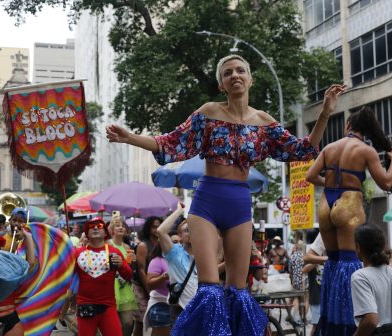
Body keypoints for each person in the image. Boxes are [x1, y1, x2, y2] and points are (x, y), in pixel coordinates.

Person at [107, 54, 343, 334]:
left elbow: (302, 149)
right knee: (208, 289)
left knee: (238, 290)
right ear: (222, 84)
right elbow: (169, 143)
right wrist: (130, 137)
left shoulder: (263, 122)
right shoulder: (208, 113)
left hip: (240, 204)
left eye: (240, 70)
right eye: (228, 72)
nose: (235, 75)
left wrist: (326, 113)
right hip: (207, 201)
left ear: (250, 79)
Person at [306, 106, 392, 336]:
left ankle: (332, 328)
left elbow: (309, 176)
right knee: (351, 263)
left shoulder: (329, 147)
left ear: (348, 126)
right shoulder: (365, 150)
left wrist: (329, 182)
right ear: (365, 131)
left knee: (334, 264)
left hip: (326, 204)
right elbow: (386, 183)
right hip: (349, 201)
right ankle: (350, 327)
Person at [74, 216, 133, 336]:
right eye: (92, 226)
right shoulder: (77, 253)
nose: (95, 228)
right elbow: (66, 276)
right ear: (87, 232)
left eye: (99, 226)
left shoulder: (114, 252)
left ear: (105, 232)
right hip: (85, 305)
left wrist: (121, 265)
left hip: (108, 306)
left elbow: (128, 275)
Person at [156, 204, 198, 324]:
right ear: (180, 236)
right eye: (187, 230)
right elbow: (161, 231)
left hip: (200, 308)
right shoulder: (175, 252)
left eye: (193, 229)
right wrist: (179, 211)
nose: (190, 233)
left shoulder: (203, 255)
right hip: (180, 310)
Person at [108, 217, 138, 336]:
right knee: (112, 324)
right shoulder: (107, 245)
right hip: (111, 286)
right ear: (111, 229)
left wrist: (134, 262)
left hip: (125, 286)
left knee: (128, 323)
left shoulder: (128, 248)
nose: (121, 227)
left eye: (123, 226)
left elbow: (131, 269)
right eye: (117, 225)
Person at [133, 216, 162, 336]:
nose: (157, 229)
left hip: (159, 284)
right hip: (141, 285)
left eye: (159, 226)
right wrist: (148, 288)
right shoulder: (143, 246)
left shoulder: (163, 243)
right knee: (141, 321)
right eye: (154, 226)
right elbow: (141, 270)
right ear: (148, 228)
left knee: (157, 320)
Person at [302, 234, 327, 336]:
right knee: (316, 325)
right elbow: (303, 270)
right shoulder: (313, 262)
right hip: (316, 298)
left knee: (324, 326)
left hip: (326, 298)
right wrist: (317, 260)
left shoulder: (327, 261)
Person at [145, 243, 171, 336]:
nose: (178, 245)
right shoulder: (157, 261)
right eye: (175, 242)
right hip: (162, 306)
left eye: (180, 242)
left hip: (181, 305)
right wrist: (164, 276)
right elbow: (149, 285)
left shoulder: (185, 259)